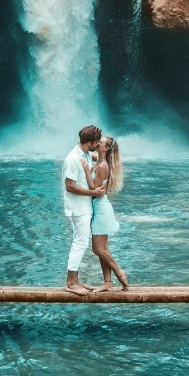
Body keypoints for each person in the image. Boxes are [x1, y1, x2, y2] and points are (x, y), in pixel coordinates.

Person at [62, 125, 106, 295]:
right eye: (96, 142)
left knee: (81, 242)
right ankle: (70, 283)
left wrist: (103, 151)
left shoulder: (86, 154)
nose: (97, 144)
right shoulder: (73, 159)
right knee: (80, 243)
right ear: (89, 142)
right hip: (78, 207)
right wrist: (93, 192)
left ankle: (75, 280)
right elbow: (70, 186)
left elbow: (102, 158)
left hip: (84, 206)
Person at [81, 136, 128, 292]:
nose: (96, 143)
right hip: (98, 208)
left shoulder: (102, 166)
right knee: (103, 249)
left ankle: (119, 272)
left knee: (98, 249)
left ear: (106, 148)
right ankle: (107, 283)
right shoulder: (99, 159)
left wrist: (87, 170)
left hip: (100, 209)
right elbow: (87, 153)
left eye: (100, 142)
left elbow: (95, 189)